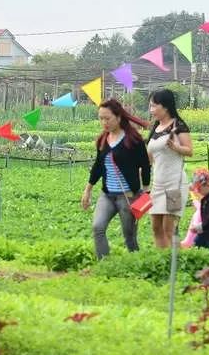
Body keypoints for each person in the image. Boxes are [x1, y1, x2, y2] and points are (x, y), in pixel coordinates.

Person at [81, 99, 151, 259]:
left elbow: (145, 165)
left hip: (128, 197)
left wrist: (145, 190)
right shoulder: (102, 140)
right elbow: (98, 167)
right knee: (98, 227)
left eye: (107, 118)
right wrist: (88, 190)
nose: (103, 122)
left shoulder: (133, 140)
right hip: (107, 195)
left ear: (118, 117)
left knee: (129, 237)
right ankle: (105, 264)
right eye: (101, 118)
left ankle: (135, 265)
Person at [147, 89, 193, 249]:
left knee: (169, 228)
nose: (151, 110)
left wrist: (175, 148)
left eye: (153, 106)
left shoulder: (178, 125)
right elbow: (150, 156)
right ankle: (163, 262)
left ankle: (177, 263)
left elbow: (189, 150)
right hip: (157, 185)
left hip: (175, 185)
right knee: (156, 227)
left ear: (165, 106)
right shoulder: (155, 128)